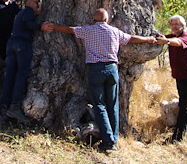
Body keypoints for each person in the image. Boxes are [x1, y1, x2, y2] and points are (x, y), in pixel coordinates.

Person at [49, 8, 157, 151]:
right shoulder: (114, 31)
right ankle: (114, 137)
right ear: (107, 19)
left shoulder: (89, 30)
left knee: (99, 105)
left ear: (95, 19)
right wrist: (148, 39)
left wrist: (54, 26)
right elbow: (131, 38)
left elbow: (70, 30)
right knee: (112, 104)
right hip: (112, 69)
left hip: (96, 70)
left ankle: (108, 140)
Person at [0, 0, 52, 124]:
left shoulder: (20, 14)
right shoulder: (28, 10)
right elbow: (29, 24)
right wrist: (41, 27)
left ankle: (3, 106)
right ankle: (15, 106)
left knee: (10, 75)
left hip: (11, 44)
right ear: (29, 2)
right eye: (36, 2)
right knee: (22, 74)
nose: (37, 5)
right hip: (22, 44)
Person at [155, 15, 187, 143]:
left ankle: (178, 137)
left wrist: (167, 41)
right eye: (172, 24)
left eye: (177, 24)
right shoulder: (172, 37)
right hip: (180, 76)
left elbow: (178, 42)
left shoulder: (186, 37)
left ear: (183, 26)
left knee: (185, 106)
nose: (174, 27)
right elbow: (163, 37)